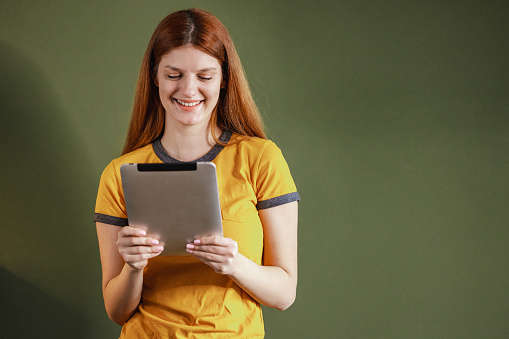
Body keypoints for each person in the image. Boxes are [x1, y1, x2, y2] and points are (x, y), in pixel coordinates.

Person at [94, 8, 299, 338]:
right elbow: (117, 310)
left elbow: (285, 293)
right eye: (174, 75)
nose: (189, 90)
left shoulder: (261, 158)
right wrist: (134, 266)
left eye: (204, 76)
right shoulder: (119, 174)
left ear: (224, 79)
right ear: (154, 76)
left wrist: (234, 264)